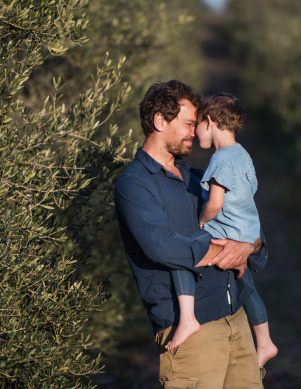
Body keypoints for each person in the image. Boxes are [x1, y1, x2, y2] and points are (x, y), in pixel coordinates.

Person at [114, 80, 269, 388]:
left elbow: (251, 232)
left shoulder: (197, 177)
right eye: (187, 124)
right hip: (192, 334)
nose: (194, 133)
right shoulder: (134, 185)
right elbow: (163, 247)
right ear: (160, 121)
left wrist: (250, 246)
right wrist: (228, 251)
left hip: (237, 321)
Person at [164, 93, 278, 368]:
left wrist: (202, 221)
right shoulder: (242, 154)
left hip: (225, 231)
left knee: (183, 252)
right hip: (248, 234)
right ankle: (265, 343)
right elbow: (254, 184)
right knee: (247, 287)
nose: (195, 132)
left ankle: (188, 318)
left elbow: (214, 204)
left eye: (198, 124)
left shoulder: (220, 158)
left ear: (211, 122)